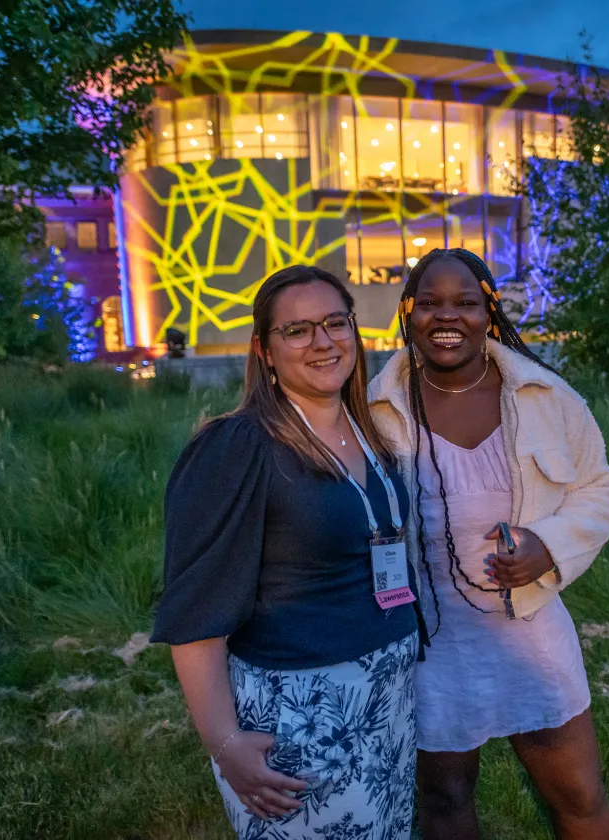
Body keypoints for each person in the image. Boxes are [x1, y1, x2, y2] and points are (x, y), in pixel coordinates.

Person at [152, 265, 427, 840]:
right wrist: (224, 744)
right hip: (300, 715)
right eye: (297, 331)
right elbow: (195, 615)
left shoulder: (369, 431)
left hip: (386, 706)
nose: (323, 342)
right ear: (265, 351)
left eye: (335, 323)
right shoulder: (239, 445)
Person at [368, 248, 609, 840]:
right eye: (427, 303)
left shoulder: (543, 396)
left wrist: (549, 544)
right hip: (429, 641)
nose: (445, 316)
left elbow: (596, 486)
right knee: (446, 799)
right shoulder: (377, 405)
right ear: (406, 313)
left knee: (578, 793)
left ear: (490, 311)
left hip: (529, 632)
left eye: (464, 302)